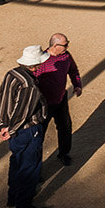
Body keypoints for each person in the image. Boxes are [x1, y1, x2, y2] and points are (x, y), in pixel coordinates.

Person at [0, 45, 52, 208]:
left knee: (16, 162)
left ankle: (12, 197)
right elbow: (24, 112)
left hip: (13, 130)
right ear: (35, 65)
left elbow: (3, 100)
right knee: (30, 168)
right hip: (28, 130)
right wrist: (12, 129)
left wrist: (4, 125)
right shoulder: (29, 85)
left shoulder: (11, 74)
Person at [35, 33, 83, 166]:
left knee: (65, 127)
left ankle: (64, 153)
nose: (67, 47)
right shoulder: (41, 60)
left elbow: (73, 71)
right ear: (55, 45)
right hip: (44, 104)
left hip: (61, 99)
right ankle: (35, 165)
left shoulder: (66, 56)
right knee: (39, 135)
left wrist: (77, 85)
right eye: (65, 45)